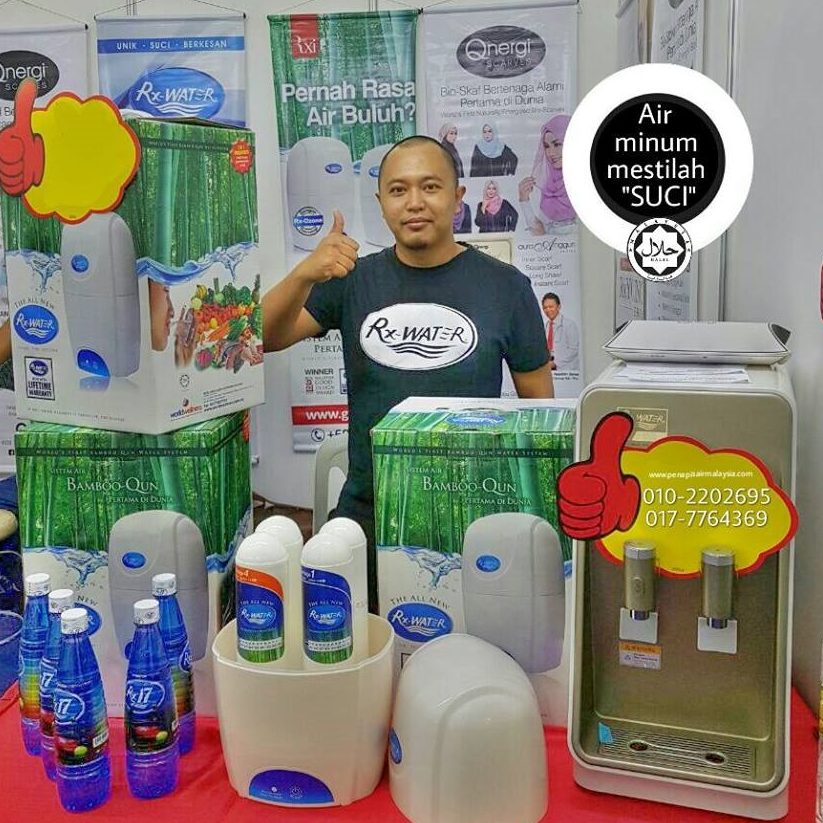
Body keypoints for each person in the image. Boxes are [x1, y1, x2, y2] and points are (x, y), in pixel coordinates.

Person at [263, 135, 553, 609]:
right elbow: (263, 338)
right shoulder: (352, 280)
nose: (414, 202)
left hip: (472, 516)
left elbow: (540, 413)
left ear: (458, 198)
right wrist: (303, 274)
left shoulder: (507, 288)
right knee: (357, 646)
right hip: (368, 515)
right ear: (380, 203)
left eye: (430, 187)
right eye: (398, 190)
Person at [519, 115, 575, 234]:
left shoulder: (589, 183)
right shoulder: (546, 186)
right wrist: (524, 200)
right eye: (547, 146)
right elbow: (539, 232)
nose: (551, 153)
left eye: (557, 144)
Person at [541, 292, 579, 373]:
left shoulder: (569, 325)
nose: (548, 310)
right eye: (545, 307)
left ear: (559, 307)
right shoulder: (545, 326)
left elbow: (573, 350)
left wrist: (555, 363)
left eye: (551, 307)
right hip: (548, 367)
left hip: (565, 371)